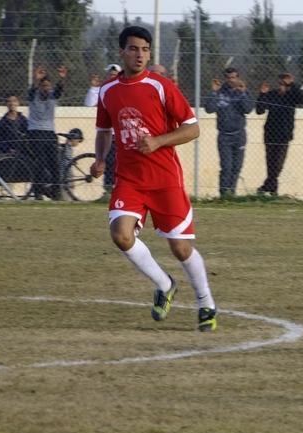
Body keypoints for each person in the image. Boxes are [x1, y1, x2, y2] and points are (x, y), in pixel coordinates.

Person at [89, 26, 218, 332]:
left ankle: (206, 302)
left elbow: (192, 128)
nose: (140, 55)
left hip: (164, 180)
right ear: (122, 52)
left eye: (145, 49)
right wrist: (100, 158)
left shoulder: (161, 86)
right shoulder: (108, 91)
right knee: (121, 235)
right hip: (129, 179)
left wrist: (158, 141)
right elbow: (104, 131)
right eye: (134, 49)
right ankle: (165, 284)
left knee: (181, 249)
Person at [203, 67, 254, 198]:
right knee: (226, 167)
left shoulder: (242, 91)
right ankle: (224, 194)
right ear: (225, 78)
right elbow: (209, 108)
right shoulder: (220, 92)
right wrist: (213, 92)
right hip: (224, 136)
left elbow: (248, 109)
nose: (231, 80)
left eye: (233, 77)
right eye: (228, 78)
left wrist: (243, 93)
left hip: (239, 135)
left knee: (236, 167)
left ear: (238, 78)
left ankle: (232, 193)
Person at [255, 72, 303, 196]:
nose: (282, 86)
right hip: (270, 133)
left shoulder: (291, 96)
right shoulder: (272, 94)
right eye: (281, 83)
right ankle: (273, 191)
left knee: (278, 164)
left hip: (284, 135)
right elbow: (259, 110)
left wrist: (292, 84)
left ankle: (266, 186)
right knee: (270, 163)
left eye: (285, 84)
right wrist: (262, 94)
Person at [27, 65, 66, 199]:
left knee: (54, 162)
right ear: (40, 86)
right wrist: (36, 79)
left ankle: (56, 192)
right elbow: (31, 90)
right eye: (43, 86)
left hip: (49, 132)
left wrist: (61, 78)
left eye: (48, 86)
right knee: (41, 161)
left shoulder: (52, 95)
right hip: (35, 131)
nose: (46, 89)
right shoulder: (33, 95)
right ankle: (38, 192)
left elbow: (59, 91)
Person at [84, 65, 121, 201]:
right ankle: (109, 192)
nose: (112, 76)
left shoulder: (124, 89)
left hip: (122, 136)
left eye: (114, 74)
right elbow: (89, 104)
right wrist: (94, 88)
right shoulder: (103, 90)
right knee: (109, 164)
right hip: (108, 136)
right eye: (110, 74)